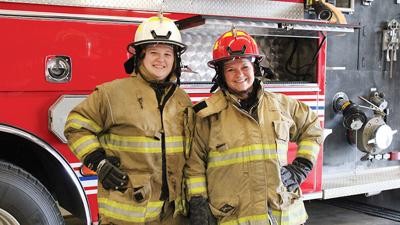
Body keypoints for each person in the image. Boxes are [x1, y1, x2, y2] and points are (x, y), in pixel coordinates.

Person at [184, 29, 323, 225]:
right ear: (221, 74)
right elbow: (195, 165)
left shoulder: (281, 106)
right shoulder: (207, 115)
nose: (239, 74)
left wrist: (301, 167)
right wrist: (198, 201)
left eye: (244, 67)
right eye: (230, 69)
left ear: (255, 68)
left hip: (281, 216)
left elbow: (312, 126)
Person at [64, 15, 193, 225]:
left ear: (176, 59)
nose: (161, 60)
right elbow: (76, 125)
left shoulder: (182, 99)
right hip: (127, 215)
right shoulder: (112, 93)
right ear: (140, 56)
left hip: (172, 215)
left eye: (167, 54)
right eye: (153, 53)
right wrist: (99, 162)